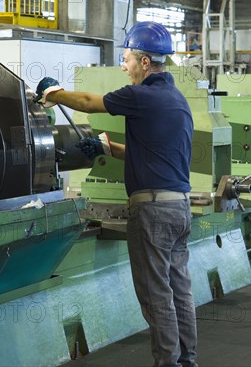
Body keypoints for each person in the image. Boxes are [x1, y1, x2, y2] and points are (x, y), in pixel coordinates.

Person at [36, 21, 197, 367]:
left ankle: (167, 363)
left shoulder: (140, 95)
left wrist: (54, 94)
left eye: (126, 59)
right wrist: (109, 148)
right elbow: (154, 151)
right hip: (179, 209)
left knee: (156, 296)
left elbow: (88, 102)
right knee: (179, 291)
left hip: (153, 212)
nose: (123, 66)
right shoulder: (175, 100)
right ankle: (187, 361)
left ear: (144, 62)